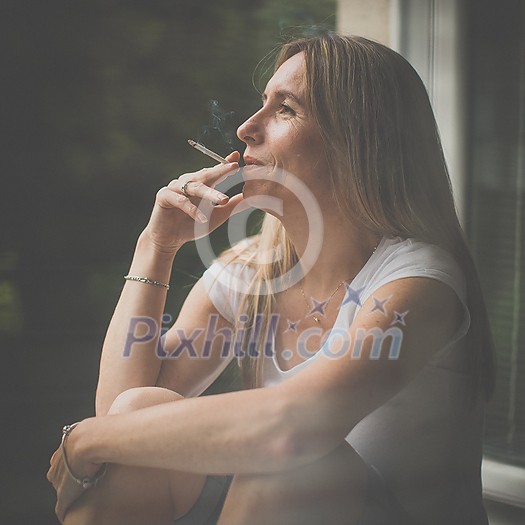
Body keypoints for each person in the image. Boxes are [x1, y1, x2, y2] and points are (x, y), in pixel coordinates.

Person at [47, 33, 494, 524]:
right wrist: (156, 248)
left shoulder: (420, 281)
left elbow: (292, 429)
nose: (245, 129)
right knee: (142, 407)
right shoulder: (250, 274)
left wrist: (84, 438)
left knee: (289, 459)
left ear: (359, 141)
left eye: (285, 109)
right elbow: (121, 420)